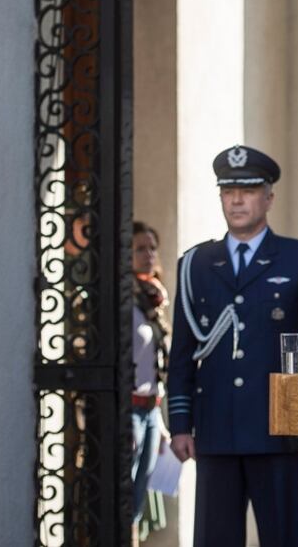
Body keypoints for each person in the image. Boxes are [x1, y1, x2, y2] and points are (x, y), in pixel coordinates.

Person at [167, 144, 298, 547]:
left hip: (282, 433)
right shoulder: (195, 264)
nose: (237, 200)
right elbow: (182, 353)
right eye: (228, 192)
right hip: (215, 433)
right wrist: (180, 424)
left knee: (285, 538)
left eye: (247, 190)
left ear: (268, 197)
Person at [130, 221, 171, 542]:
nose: (148, 254)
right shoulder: (123, 300)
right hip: (127, 410)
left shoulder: (155, 298)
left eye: (152, 247)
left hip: (152, 410)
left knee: (140, 498)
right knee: (124, 497)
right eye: (140, 248)